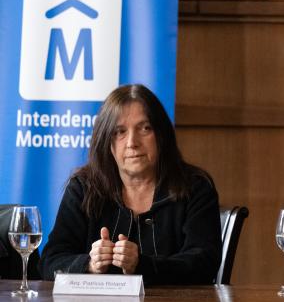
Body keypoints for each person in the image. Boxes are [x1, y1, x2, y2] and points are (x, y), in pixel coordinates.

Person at [40, 84, 222, 285]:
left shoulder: (194, 188)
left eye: (145, 128)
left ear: (161, 135)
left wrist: (143, 265)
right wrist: (89, 264)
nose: (132, 142)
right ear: (107, 142)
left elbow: (204, 263)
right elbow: (50, 262)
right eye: (120, 132)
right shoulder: (84, 188)